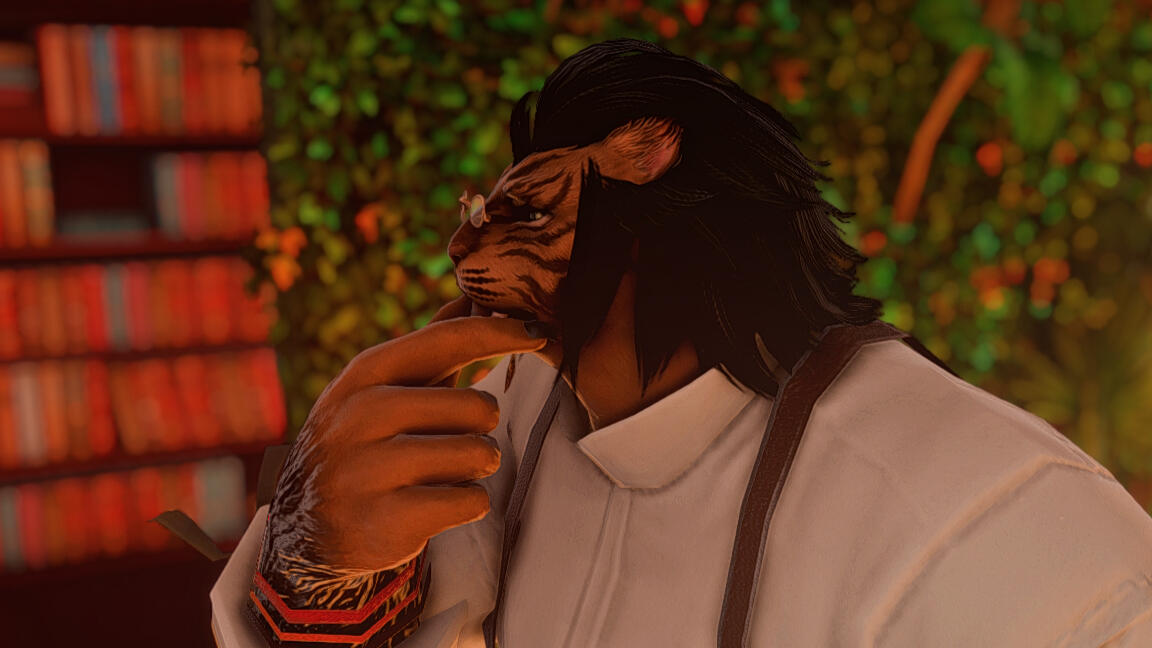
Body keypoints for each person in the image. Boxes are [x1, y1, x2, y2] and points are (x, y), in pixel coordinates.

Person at [212, 39, 1152, 647]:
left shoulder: (991, 513)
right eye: (479, 216)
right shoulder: (522, 403)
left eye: (528, 212)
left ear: (647, 162)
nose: (463, 252)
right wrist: (316, 560)